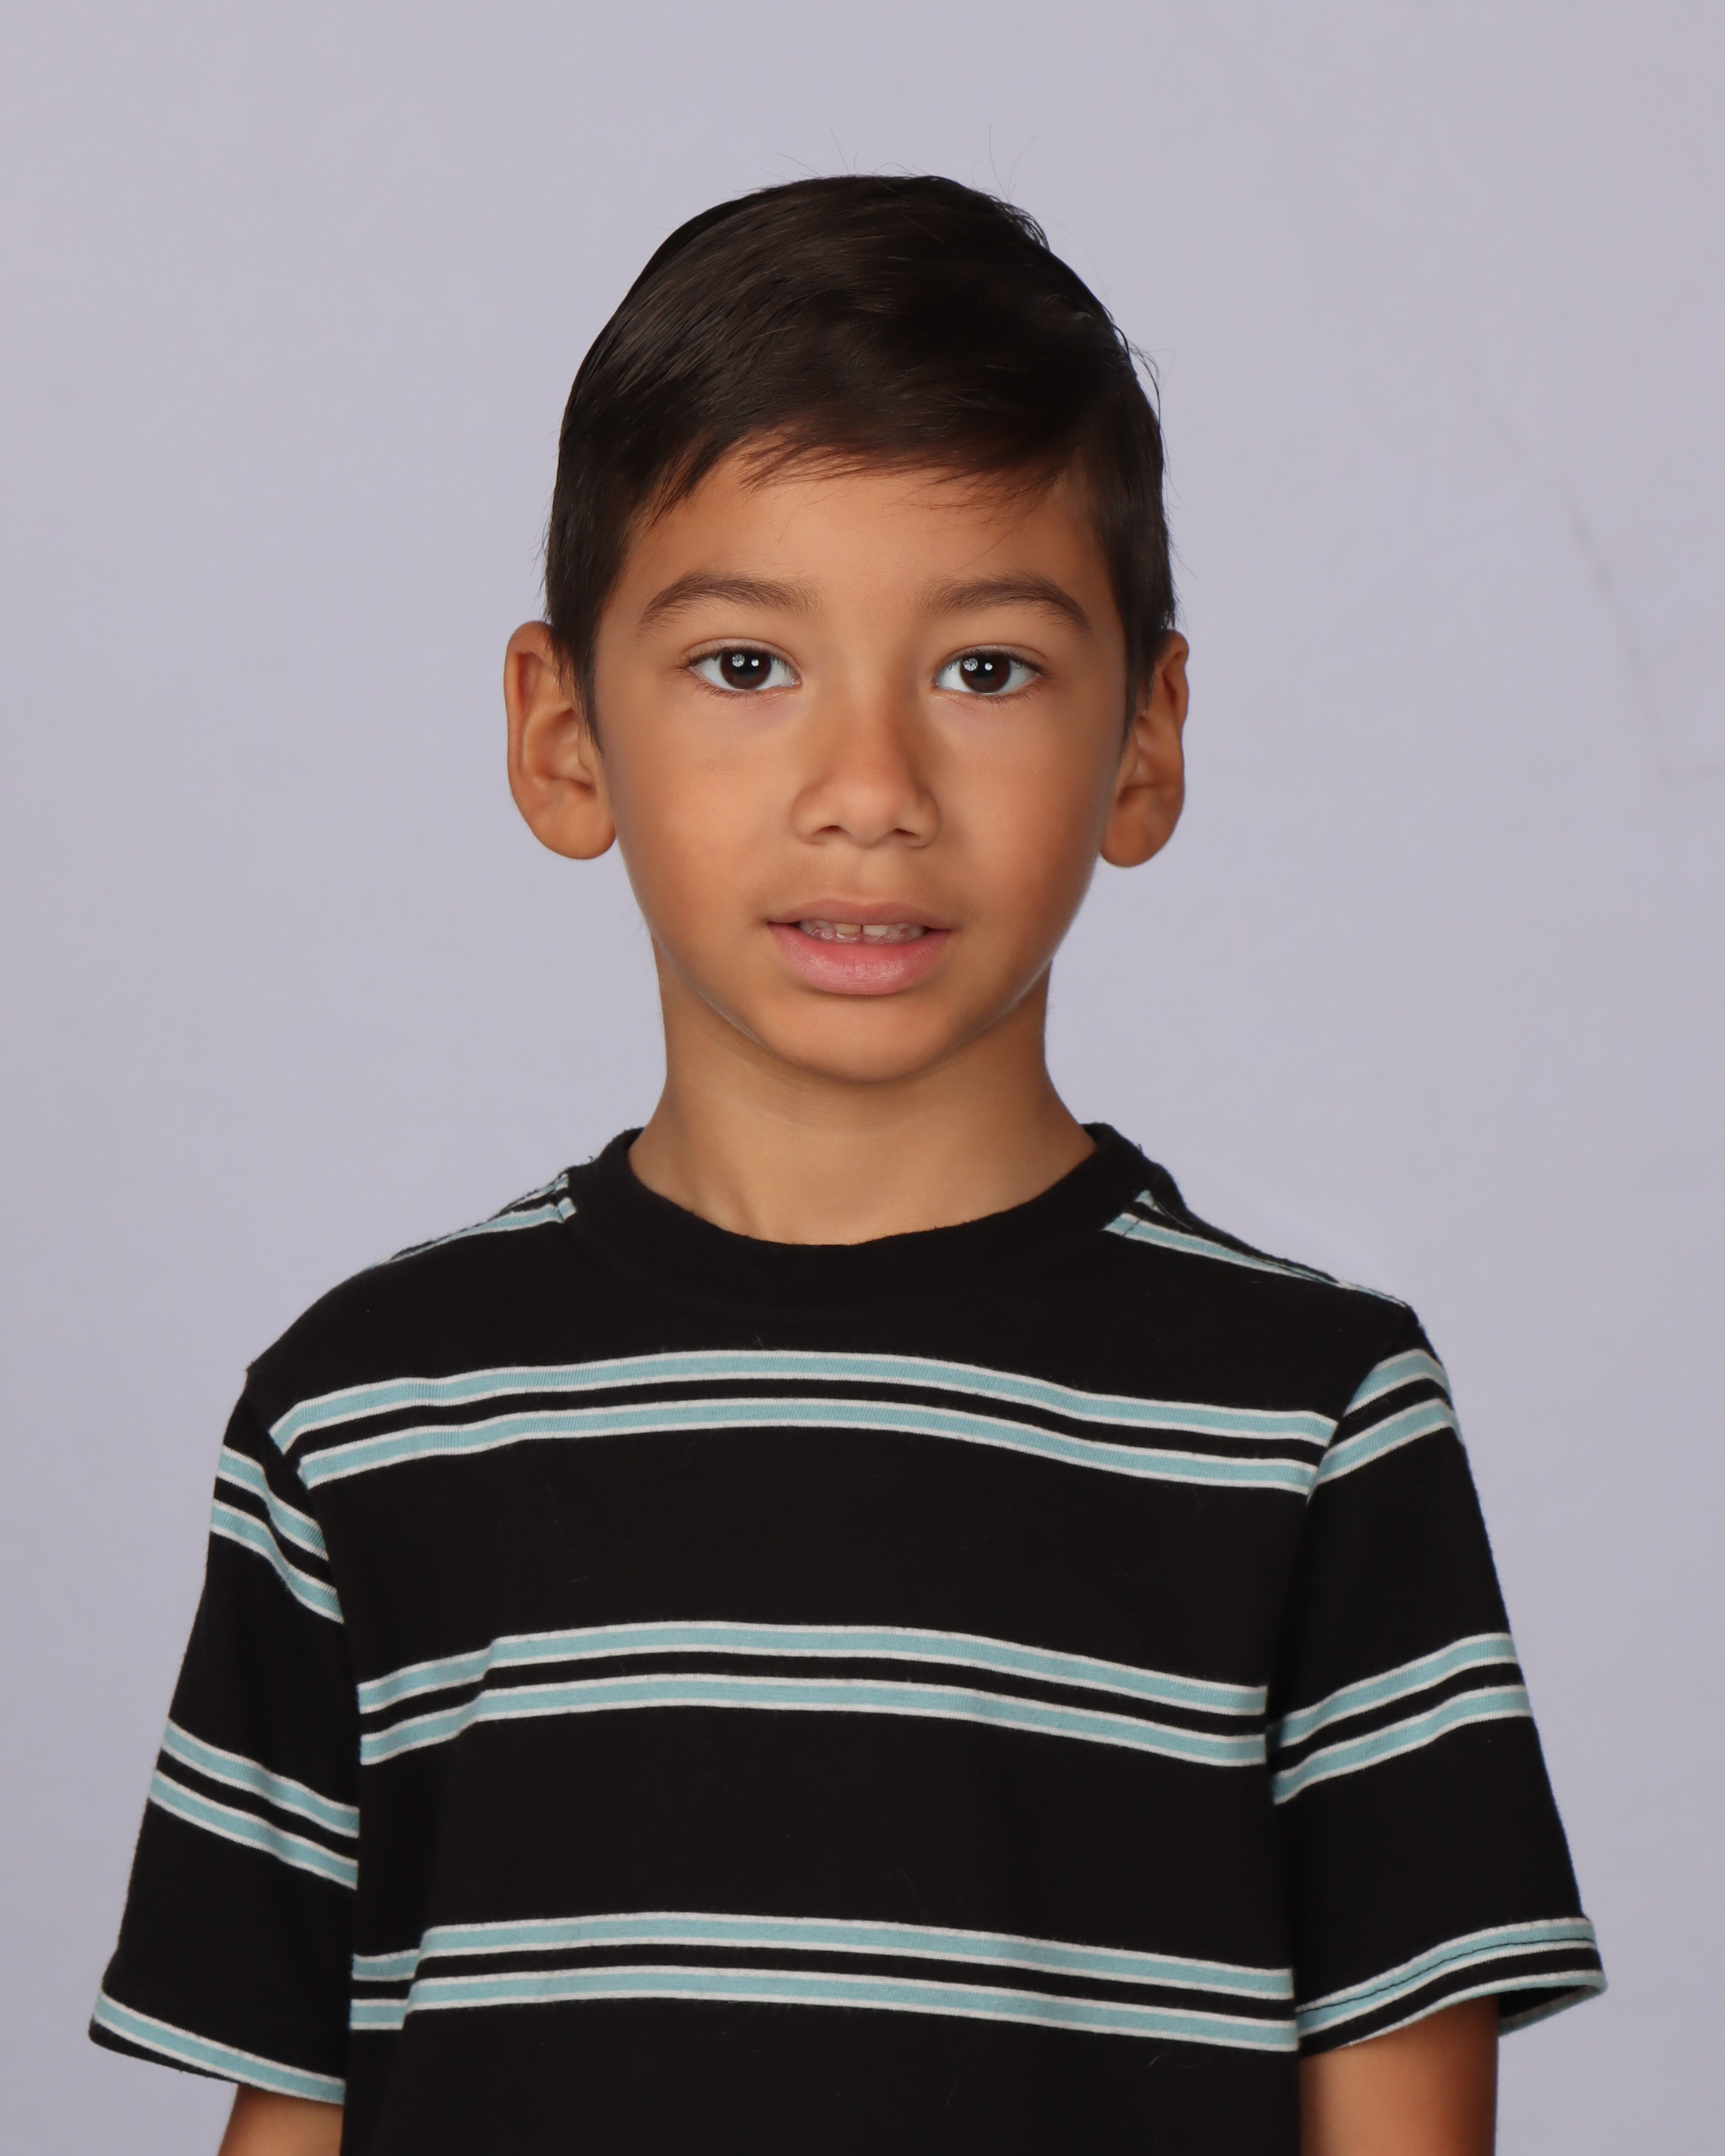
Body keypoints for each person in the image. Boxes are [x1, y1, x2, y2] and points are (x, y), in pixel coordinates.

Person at [89, 176, 1603, 2155]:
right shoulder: (364, 1417)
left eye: (985, 670)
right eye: (745, 665)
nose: (870, 790)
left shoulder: (1309, 1427)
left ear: (1146, 737)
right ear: (563, 734)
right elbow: (294, 2110)